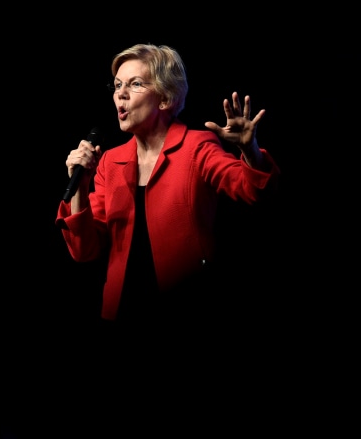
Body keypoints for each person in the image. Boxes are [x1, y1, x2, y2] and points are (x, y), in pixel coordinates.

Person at [55, 43, 280, 332]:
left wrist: (250, 150)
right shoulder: (111, 161)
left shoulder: (196, 146)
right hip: (121, 311)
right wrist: (81, 188)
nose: (120, 94)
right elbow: (84, 250)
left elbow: (253, 191)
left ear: (165, 98)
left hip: (185, 311)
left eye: (135, 84)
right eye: (118, 85)